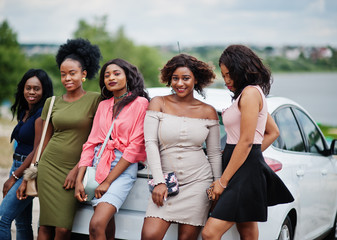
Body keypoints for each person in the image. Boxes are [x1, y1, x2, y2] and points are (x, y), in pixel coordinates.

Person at [202, 45, 294, 240]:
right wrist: (251, 154)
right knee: (247, 230)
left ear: (241, 70)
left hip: (243, 171)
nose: (226, 80)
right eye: (223, 75)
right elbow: (273, 131)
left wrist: (223, 181)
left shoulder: (251, 94)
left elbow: (245, 141)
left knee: (210, 233)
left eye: (229, 75)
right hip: (241, 164)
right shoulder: (248, 94)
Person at [17, 38, 102, 240]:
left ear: (84, 74)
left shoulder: (95, 100)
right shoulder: (51, 102)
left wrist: (77, 170)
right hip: (49, 167)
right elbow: (43, 143)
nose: (67, 78)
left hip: (74, 169)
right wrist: (28, 177)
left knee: (63, 229)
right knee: (45, 225)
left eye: (72, 73)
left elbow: (96, 140)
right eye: (63, 74)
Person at [141, 54, 222, 240]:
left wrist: (216, 186)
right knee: (150, 235)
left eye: (186, 78)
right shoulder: (158, 103)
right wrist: (159, 181)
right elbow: (150, 143)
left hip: (198, 182)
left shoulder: (208, 111)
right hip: (166, 182)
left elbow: (214, 153)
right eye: (175, 78)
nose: (180, 83)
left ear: (196, 79)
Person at [75, 58, 150, 240]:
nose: (111, 78)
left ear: (128, 76)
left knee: (95, 225)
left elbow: (134, 147)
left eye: (117, 73)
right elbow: (91, 143)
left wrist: (108, 181)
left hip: (121, 168)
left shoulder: (140, 103)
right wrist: (80, 179)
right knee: (106, 227)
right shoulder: (103, 105)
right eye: (107, 75)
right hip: (98, 165)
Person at [0, 69, 53, 240]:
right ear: (23, 89)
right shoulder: (25, 111)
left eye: (37, 88)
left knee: (2, 219)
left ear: (44, 91)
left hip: (27, 170)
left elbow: (37, 149)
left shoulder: (41, 115)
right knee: (22, 223)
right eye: (28, 88)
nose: (32, 92)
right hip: (17, 166)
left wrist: (15, 176)